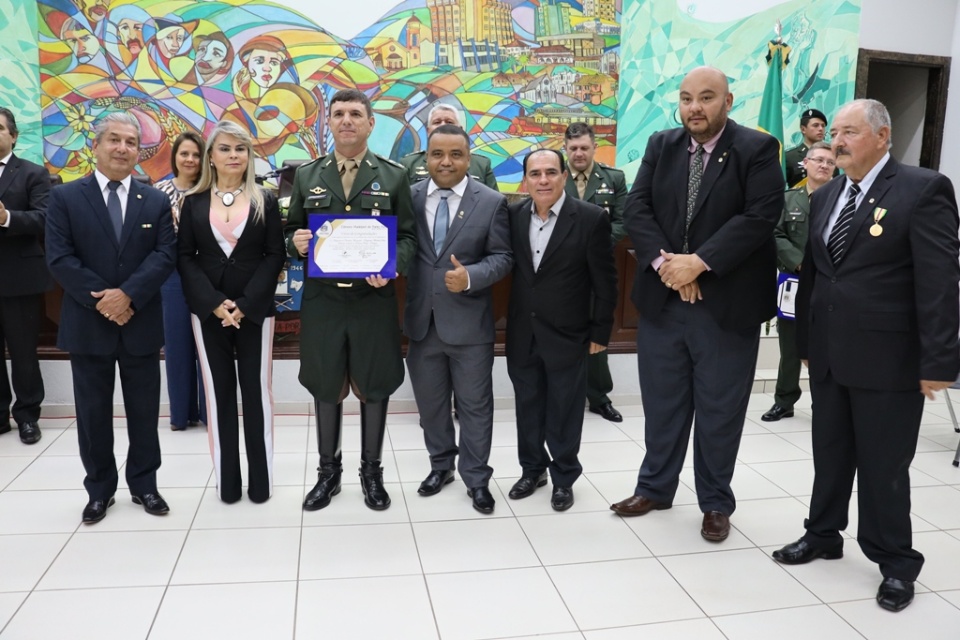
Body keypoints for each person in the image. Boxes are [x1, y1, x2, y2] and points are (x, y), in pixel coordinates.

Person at [772, 99, 960, 613]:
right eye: (834, 132)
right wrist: (807, 346)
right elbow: (815, 273)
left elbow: (940, 283)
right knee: (830, 454)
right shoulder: (828, 192)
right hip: (831, 354)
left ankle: (896, 562)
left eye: (849, 131)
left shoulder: (923, 190)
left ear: (882, 136)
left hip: (890, 360)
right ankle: (823, 534)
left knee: (883, 467)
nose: (837, 141)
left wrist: (939, 362)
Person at [610, 67, 783, 543]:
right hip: (665, 301)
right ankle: (655, 488)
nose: (695, 108)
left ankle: (714, 502)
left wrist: (701, 262)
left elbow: (760, 215)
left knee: (718, 409)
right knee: (663, 403)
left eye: (706, 98)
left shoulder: (757, 149)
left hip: (726, 306)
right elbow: (637, 209)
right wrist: (671, 266)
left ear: (728, 100)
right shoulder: (661, 145)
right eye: (686, 99)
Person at [287, 89, 417, 512]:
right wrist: (297, 242)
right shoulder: (307, 175)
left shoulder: (395, 176)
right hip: (323, 302)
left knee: (375, 385)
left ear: (370, 123)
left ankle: (372, 473)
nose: (346, 120)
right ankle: (329, 474)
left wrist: (393, 265)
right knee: (325, 385)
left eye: (355, 114)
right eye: (339, 113)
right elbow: (288, 233)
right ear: (329, 121)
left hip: (371, 301)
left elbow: (411, 238)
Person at [45, 112, 176, 524]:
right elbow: (60, 258)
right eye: (114, 140)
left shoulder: (154, 198)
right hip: (88, 323)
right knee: (93, 414)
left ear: (140, 151)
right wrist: (103, 300)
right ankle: (100, 490)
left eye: (131, 142)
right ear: (95, 146)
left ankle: (145, 485)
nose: (123, 148)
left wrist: (128, 295)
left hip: (139, 321)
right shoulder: (65, 198)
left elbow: (164, 255)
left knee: (143, 411)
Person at [404, 124, 512, 514]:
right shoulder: (409, 197)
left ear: (469, 159)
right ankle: (440, 466)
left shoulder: (491, 201)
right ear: (426, 158)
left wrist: (470, 276)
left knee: (475, 407)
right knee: (431, 406)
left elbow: (503, 257)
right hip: (422, 323)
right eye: (437, 154)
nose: (445, 162)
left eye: (455, 155)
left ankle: (477, 478)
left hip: (469, 325)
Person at [177, 120, 285, 504]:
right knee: (219, 395)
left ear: (249, 156)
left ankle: (261, 483)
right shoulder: (192, 202)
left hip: (254, 313)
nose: (233, 155)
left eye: (241, 149)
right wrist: (213, 303)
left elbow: (276, 255)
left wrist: (245, 304)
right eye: (225, 148)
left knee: (256, 395)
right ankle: (227, 483)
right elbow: (185, 259)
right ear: (211, 156)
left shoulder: (265, 199)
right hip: (209, 313)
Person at [505, 149, 617, 512]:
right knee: (528, 406)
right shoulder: (514, 215)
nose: (542, 180)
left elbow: (606, 281)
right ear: (525, 180)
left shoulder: (589, 218)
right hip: (523, 332)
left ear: (564, 176)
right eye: (534, 174)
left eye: (550, 172)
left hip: (569, 333)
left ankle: (564, 477)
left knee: (565, 410)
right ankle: (531, 469)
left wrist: (600, 333)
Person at [762, 142, 835, 422]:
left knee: (826, 345)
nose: (824, 166)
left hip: (830, 283)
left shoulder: (844, 199)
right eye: (818, 160)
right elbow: (775, 235)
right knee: (790, 345)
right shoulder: (789, 199)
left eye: (830, 162)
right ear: (806, 163)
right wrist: (799, 262)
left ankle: (825, 404)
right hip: (794, 281)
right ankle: (784, 400)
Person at [562, 122, 627, 423]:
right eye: (573, 148)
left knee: (597, 333)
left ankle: (599, 397)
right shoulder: (553, 176)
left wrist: (594, 246)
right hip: (559, 272)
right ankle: (565, 395)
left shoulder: (613, 179)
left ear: (593, 148)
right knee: (561, 334)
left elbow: (624, 221)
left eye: (584, 148)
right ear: (565, 149)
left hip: (598, 270)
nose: (578, 153)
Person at [0, 107, 51, 445]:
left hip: (19, 277)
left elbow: (45, 218)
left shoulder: (32, 173)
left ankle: (28, 415)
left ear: (13, 136)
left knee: (23, 352)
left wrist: (6, 218)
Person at [155, 132, 207, 431]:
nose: (190, 160)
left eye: (196, 155)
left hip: (207, 274)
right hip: (171, 276)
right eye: (184, 154)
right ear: (174, 156)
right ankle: (180, 415)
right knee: (176, 346)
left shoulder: (211, 191)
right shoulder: (159, 191)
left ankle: (208, 412)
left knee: (208, 347)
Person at [401, 103, 499, 191]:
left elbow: (493, 203)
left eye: (449, 122)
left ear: (460, 129)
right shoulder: (409, 164)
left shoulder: (481, 165)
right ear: (428, 130)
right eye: (437, 122)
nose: (443, 125)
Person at [784, 109, 831, 188]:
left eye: (823, 126)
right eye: (816, 125)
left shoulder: (831, 156)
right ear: (803, 129)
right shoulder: (789, 157)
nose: (820, 129)